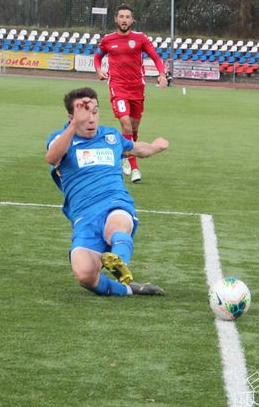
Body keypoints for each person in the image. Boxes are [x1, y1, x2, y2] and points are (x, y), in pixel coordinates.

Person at [46, 86, 169, 296]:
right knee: (85, 276)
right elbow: (52, 157)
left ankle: (119, 260)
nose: (92, 119)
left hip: (115, 203)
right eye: (85, 113)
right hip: (84, 217)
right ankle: (128, 289)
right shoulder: (61, 139)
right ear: (71, 116)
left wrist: (156, 146)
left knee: (116, 227)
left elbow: (139, 149)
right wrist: (75, 124)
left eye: (95, 111)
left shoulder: (110, 136)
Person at [94, 4, 169, 184]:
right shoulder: (107, 40)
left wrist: (161, 74)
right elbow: (97, 57)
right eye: (121, 16)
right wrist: (98, 70)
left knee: (133, 129)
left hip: (137, 89)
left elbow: (156, 58)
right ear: (116, 19)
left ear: (132, 20)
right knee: (126, 125)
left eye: (128, 17)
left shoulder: (140, 39)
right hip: (118, 87)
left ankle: (126, 151)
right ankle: (134, 166)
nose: (124, 20)